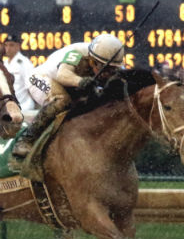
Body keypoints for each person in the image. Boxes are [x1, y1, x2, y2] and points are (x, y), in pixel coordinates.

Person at [12, 33, 126, 161]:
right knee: (63, 101)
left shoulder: (114, 63)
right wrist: (81, 82)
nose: (107, 74)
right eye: (104, 69)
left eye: (112, 70)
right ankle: (26, 140)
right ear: (92, 61)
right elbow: (63, 75)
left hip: (68, 85)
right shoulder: (77, 53)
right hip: (40, 78)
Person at [3, 33, 35, 111]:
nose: (8, 48)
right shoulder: (4, 64)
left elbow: (32, 85)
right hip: (7, 107)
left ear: (18, 46)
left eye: (11, 45)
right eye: (6, 45)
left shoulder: (24, 63)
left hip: (24, 106)